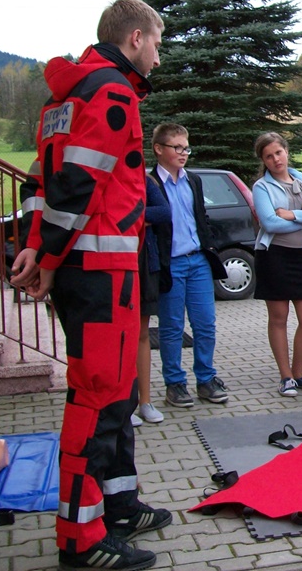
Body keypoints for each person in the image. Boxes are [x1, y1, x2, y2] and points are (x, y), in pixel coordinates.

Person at [10, 0, 171, 570]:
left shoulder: (64, 96)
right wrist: (48, 258)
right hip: (99, 271)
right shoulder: (111, 92)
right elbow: (77, 184)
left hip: (93, 268)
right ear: (135, 39)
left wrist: (35, 244)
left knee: (119, 390)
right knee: (98, 395)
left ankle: (118, 502)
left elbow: (40, 179)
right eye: (156, 43)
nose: (158, 55)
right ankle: (80, 537)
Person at [150, 124, 229, 409]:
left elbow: (200, 216)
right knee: (171, 327)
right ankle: (174, 383)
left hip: (198, 261)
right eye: (177, 147)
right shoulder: (150, 183)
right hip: (170, 264)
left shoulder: (193, 180)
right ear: (159, 149)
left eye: (186, 148)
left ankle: (206, 379)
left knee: (205, 323)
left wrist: (208, 245)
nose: (183, 153)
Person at [252, 132, 302, 397]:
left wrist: (291, 214)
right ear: (263, 160)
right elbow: (269, 223)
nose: (276, 159)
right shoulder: (261, 187)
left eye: (278, 152)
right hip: (273, 256)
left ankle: (300, 373)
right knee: (279, 318)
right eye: (269, 156)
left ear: (286, 151)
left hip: (299, 257)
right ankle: (286, 377)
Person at [131, 175, 170, 427]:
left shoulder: (144, 180)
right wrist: (141, 218)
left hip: (145, 263)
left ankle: (145, 402)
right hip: (112, 265)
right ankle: (123, 405)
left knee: (141, 333)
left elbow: (164, 212)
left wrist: (131, 217)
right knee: (118, 337)